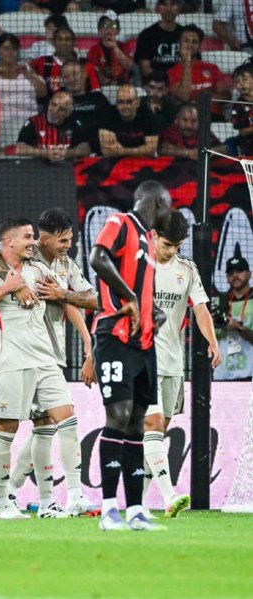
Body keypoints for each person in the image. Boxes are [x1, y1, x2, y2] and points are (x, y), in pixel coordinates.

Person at [0, 208, 99, 517]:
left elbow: (86, 299)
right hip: (16, 358)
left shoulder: (60, 265)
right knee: (21, 428)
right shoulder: (10, 261)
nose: (67, 245)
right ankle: (8, 496)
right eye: (62, 240)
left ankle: (60, 498)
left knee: (51, 424)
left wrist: (87, 343)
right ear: (42, 238)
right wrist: (13, 283)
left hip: (49, 355)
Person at [0, 218, 74, 519]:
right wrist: (7, 288)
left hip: (46, 361)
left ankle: (49, 502)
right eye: (27, 237)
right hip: (10, 363)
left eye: (34, 237)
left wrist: (59, 294)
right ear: (8, 242)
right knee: (7, 430)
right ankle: (2, 502)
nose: (33, 242)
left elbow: (65, 299)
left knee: (60, 421)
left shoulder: (40, 270)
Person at [89, 179, 173, 531]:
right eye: (168, 205)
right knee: (118, 415)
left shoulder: (151, 247)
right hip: (115, 334)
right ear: (155, 201)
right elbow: (97, 258)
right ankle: (109, 510)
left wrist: (154, 312)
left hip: (144, 342)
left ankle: (136, 510)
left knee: (137, 423)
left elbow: (144, 294)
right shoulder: (120, 223)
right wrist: (130, 298)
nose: (170, 213)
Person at [142, 210, 220, 518]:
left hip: (174, 362)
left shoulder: (186, 269)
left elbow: (200, 308)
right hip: (144, 359)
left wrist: (212, 340)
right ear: (154, 236)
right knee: (154, 424)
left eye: (177, 245)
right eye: (167, 244)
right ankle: (169, 496)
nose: (172, 250)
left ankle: (140, 503)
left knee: (161, 429)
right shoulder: (138, 266)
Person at [0, 34, 48, 148]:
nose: (10, 52)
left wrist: (27, 74)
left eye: (14, 48)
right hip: (2, 123)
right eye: (6, 48)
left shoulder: (27, 68)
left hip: (29, 122)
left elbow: (43, 92)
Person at [15, 91, 90, 160]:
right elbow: (19, 148)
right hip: (39, 168)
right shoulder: (33, 122)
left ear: (68, 113)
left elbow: (85, 149)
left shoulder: (74, 123)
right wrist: (44, 153)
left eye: (61, 109)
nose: (55, 110)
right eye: (53, 104)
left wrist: (68, 153)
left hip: (66, 167)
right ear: (49, 103)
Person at [168, 25, 229, 110]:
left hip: (214, 116)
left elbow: (226, 96)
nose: (190, 45)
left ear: (200, 46)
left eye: (194, 42)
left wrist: (202, 99)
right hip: (189, 119)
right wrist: (187, 63)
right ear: (179, 44)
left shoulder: (211, 68)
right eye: (186, 41)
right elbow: (184, 98)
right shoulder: (171, 72)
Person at [214, 256, 253, 381]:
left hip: (249, 374)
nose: (235, 275)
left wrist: (238, 327)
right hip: (222, 374)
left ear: (249, 274)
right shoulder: (218, 302)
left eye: (240, 271)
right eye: (231, 272)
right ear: (226, 278)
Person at [99, 84, 159, 158]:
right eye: (121, 102)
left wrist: (122, 151)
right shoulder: (108, 115)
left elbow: (151, 151)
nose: (125, 106)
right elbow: (107, 151)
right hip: (115, 161)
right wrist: (141, 150)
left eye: (129, 102)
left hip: (142, 160)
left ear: (137, 102)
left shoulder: (148, 116)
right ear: (117, 104)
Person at [134, 0, 183, 77]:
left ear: (179, 8)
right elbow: (145, 69)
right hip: (156, 83)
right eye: (164, 4)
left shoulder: (185, 34)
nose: (169, 8)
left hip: (181, 81)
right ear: (158, 8)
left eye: (173, 4)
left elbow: (194, 65)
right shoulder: (146, 35)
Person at [159, 103, 223, 159]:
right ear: (176, 120)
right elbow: (163, 149)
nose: (189, 125)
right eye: (185, 120)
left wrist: (209, 152)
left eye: (194, 121)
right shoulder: (170, 132)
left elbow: (223, 148)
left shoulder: (204, 132)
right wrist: (188, 153)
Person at [86, 11, 134, 87]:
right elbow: (93, 71)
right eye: (105, 26)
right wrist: (109, 83)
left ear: (118, 31)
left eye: (114, 26)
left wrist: (115, 47)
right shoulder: (93, 50)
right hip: (101, 87)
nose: (109, 29)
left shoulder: (124, 46)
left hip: (123, 87)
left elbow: (130, 67)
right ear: (99, 30)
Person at [61, 59, 109, 134]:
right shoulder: (57, 101)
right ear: (62, 80)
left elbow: (109, 126)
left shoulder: (98, 98)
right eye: (66, 76)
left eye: (75, 74)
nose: (72, 79)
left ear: (84, 74)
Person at [31, 26, 80, 97]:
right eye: (60, 39)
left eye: (67, 39)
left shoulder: (84, 64)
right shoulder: (40, 62)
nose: (63, 43)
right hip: (47, 105)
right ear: (54, 42)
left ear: (74, 43)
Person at [230, 64, 253, 155]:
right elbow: (242, 132)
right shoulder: (238, 106)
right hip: (249, 149)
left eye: (245, 79)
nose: (241, 84)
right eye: (237, 82)